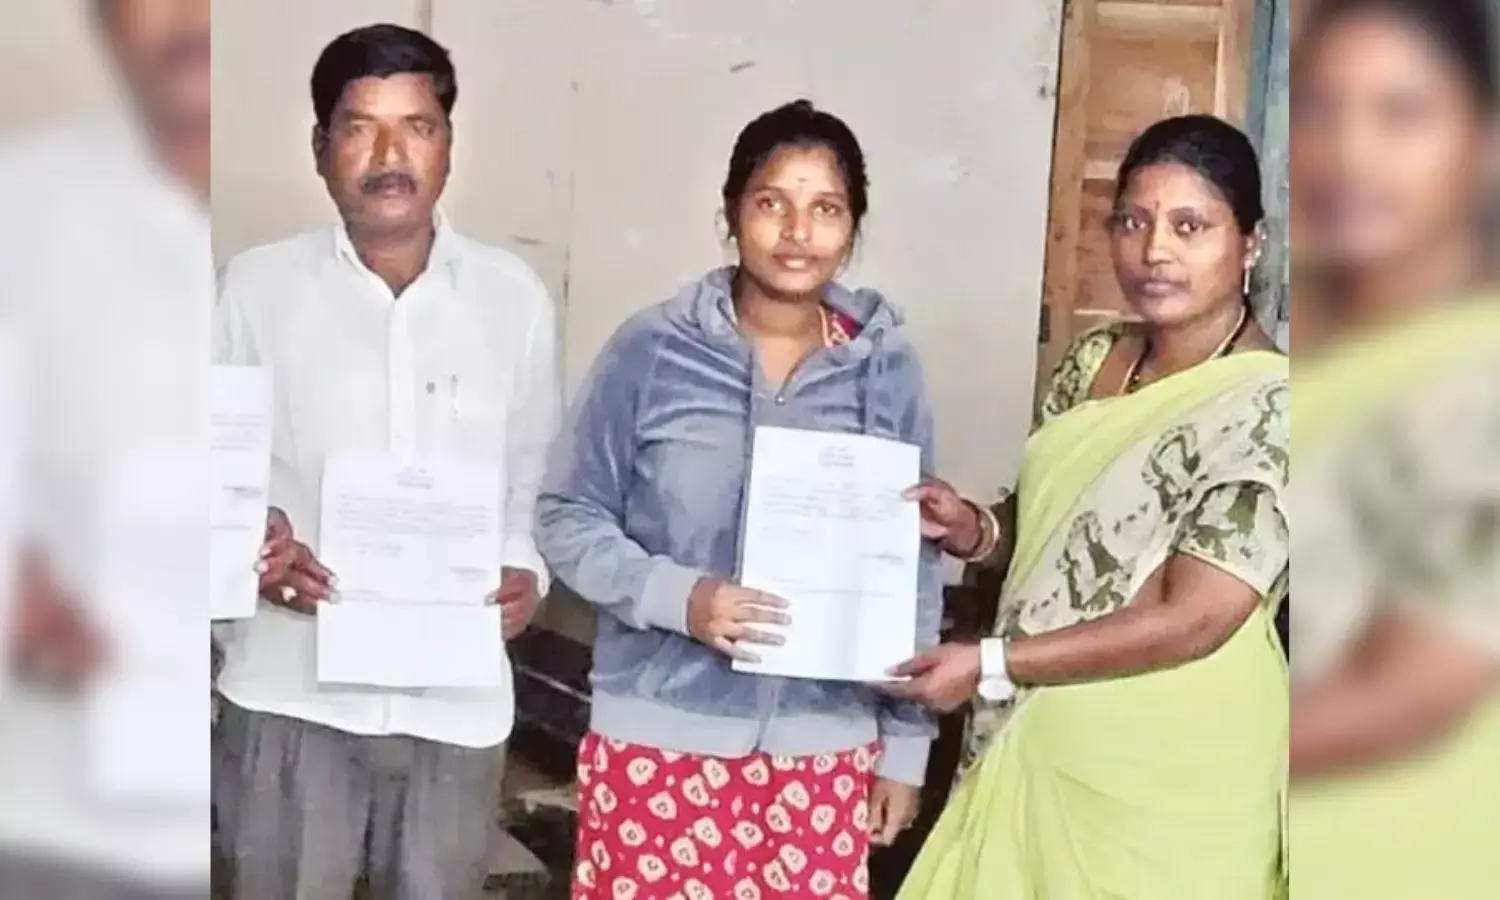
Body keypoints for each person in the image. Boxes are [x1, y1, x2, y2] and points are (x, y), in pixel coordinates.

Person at [534, 99, 942, 900]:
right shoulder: (652, 350)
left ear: (852, 228)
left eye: (825, 209)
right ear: (731, 214)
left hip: (824, 752)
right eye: (771, 203)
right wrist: (678, 598)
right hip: (659, 743)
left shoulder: (886, 369)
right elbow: (565, 514)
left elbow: (913, 566)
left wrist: (904, 745)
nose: (797, 232)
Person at [889, 115, 1289, 899]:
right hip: (1037, 743)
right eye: (1133, 222)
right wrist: (974, 528)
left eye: (1190, 226)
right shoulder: (1093, 362)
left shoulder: (1273, 404)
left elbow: (1195, 618)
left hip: (1174, 778)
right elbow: (1059, 536)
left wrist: (992, 663)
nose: (1154, 251)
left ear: (1251, 244)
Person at [211, 23, 560, 899]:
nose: (390, 155)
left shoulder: (512, 299)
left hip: (456, 700)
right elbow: (200, 471)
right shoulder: (253, 290)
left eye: (417, 127)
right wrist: (251, 548)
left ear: (448, 145)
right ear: (320, 147)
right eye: (361, 127)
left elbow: (535, 478)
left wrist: (526, 571)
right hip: (292, 692)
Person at [0, 0, 216, 896]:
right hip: (51, 781)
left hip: (226, 752)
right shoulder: (24, 205)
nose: (189, 20)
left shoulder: (278, 271)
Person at [1288, 1, 1500, 897]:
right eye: (1321, 110)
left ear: (1482, 144)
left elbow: (1414, 691)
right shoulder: (1315, 355)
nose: (1350, 153)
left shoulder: (1477, 374)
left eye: (1401, 113)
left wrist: (1186, 755)